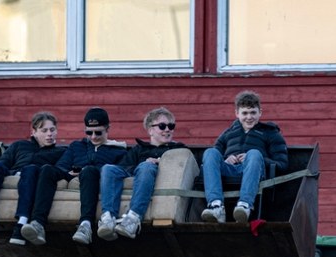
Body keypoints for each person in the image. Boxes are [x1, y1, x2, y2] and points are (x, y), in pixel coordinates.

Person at [20, 107, 127, 246]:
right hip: (72, 175)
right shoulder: (77, 146)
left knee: (89, 171)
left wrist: (86, 170)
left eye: (98, 132)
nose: (93, 136)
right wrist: (69, 172)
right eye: (89, 132)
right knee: (47, 169)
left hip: (93, 178)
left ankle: (85, 225)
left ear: (108, 129)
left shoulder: (118, 151)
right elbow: (61, 165)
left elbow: (119, 171)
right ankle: (38, 223)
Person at [0, 111, 65, 247]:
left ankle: (21, 225)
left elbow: (55, 172)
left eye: (52, 130)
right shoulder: (19, 145)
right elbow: (4, 163)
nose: (49, 134)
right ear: (33, 132)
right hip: (12, 174)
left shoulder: (60, 152)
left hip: (31, 177)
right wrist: (15, 173)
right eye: (44, 130)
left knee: (31, 169)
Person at [97, 107, 185, 240]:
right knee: (108, 168)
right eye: (162, 126)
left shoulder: (178, 149)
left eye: (171, 126)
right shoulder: (139, 149)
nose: (167, 129)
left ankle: (133, 218)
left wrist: (160, 162)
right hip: (138, 172)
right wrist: (141, 165)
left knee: (146, 166)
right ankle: (108, 218)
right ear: (150, 130)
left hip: (155, 174)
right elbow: (124, 167)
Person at [200, 91, 288, 224]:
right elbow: (214, 158)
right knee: (210, 153)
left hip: (255, 172)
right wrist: (225, 159)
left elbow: (282, 164)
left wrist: (255, 159)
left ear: (260, 112)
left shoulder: (270, 133)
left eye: (253, 112)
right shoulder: (228, 133)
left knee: (253, 153)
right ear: (237, 113)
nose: (249, 117)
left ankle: (244, 206)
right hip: (229, 171)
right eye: (245, 113)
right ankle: (216, 206)